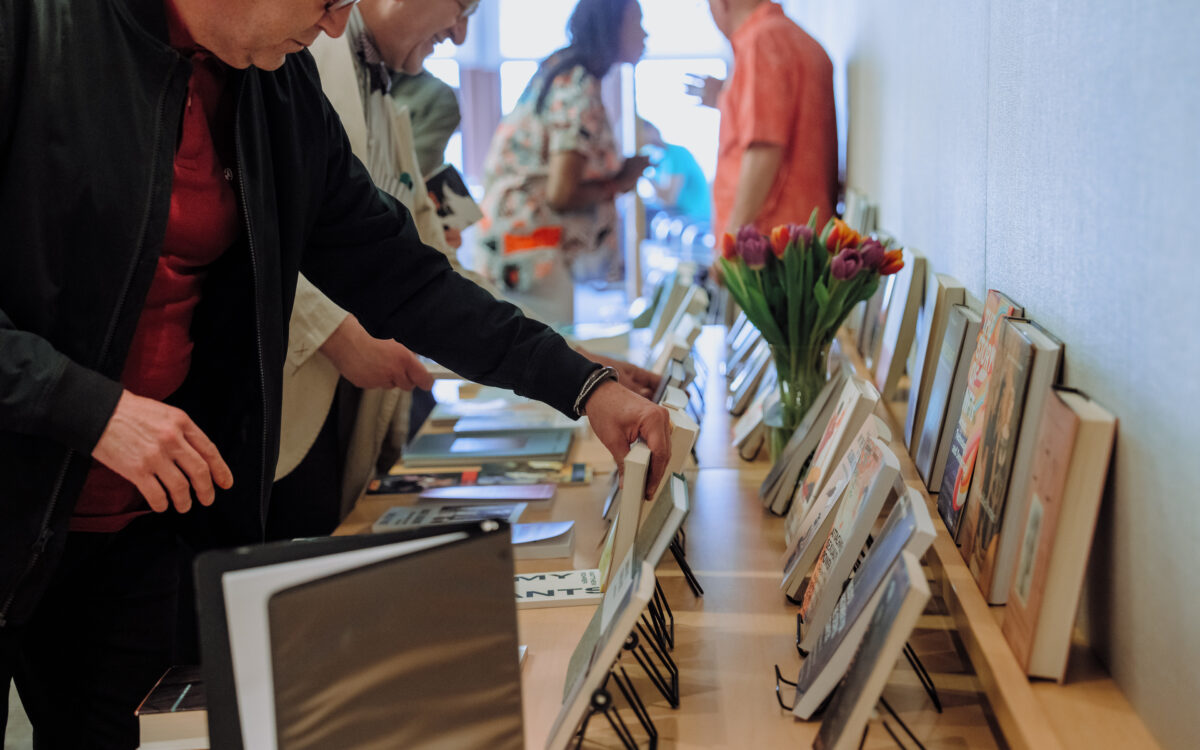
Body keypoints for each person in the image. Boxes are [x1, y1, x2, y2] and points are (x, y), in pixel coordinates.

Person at [0, 1, 672, 747]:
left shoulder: (273, 88)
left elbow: (402, 277)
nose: (330, 28)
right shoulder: (37, 31)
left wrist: (581, 384)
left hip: (141, 532)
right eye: (325, 1)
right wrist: (89, 409)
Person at [272, 0, 662, 540]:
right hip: (285, 402)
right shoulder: (294, 56)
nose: (458, 36)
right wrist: (338, 334)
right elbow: (267, 235)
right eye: (460, 9)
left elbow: (434, 271)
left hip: (348, 399)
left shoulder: (388, 100)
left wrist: (584, 369)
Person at [479, 0, 650, 327]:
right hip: (532, 252)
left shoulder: (563, 68)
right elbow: (561, 192)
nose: (645, 33)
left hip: (520, 248)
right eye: (636, 22)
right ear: (612, 25)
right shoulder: (578, 84)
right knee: (546, 362)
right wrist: (619, 181)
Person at [703, 0, 838, 237]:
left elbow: (764, 148)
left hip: (770, 246)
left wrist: (732, 240)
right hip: (797, 242)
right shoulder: (793, 37)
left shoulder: (763, 40)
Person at [639, 118, 712, 227]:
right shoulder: (659, 160)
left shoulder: (677, 154)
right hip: (680, 217)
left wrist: (646, 176)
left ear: (653, 130)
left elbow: (669, 199)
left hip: (695, 220)